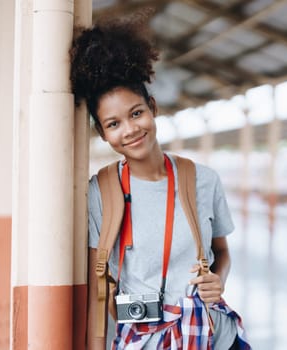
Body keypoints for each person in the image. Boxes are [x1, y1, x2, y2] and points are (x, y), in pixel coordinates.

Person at [70, 12, 250, 350]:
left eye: (136, 113)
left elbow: (221, 252)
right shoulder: (101, 192)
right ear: (102, 133)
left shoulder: (203, 180)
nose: (130, 130)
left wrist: (217, 280)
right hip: (142, 341)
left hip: (212, 337)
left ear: (152, 108)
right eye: (113, 124)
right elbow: (97, 285)